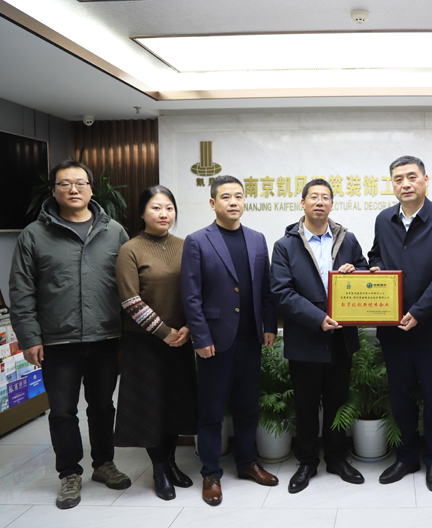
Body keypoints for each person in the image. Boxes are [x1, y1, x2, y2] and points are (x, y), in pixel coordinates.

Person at [9, 160, 131, 510]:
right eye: (65, 184)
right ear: (54, 191)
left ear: (91, 189)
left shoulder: (114, 231)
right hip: (56, 341)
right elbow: (21, 290)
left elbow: (129, 286)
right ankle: (69, 473)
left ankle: (104, 464)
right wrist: (30, 338)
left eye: (80, 183)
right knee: (62, 411)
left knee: (103, 407)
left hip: (105, 338)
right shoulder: (34, 234)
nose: (73, 189)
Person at [180, 175, 279, 506]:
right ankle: (211, 473)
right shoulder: (197, 241)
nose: (233, 202)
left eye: (238, 196)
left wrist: (269, 326)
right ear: (213, 203)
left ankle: (247, 462)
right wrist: (200, 336)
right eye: (226, 197)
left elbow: (265, 289)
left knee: (247, 406)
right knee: (211, 410)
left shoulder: (257, 239)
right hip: (214, 340)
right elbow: (191, 295)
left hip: (250, 338)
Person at [368, 155, 432, 492]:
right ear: (392, 185)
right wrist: (377, 268)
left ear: (425, 180)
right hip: (392, 328)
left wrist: (419, 311)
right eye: (398, 179)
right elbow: (375, 254)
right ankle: (407, 457)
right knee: (400, 398)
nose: (405, 184)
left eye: (411, 177)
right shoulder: (384, 219)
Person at [271, 179, 369, 493]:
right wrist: (317, 318)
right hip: (306, 337)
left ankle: (337, 459)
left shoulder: (348, 239)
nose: (319, 202)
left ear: (331, 204)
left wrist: (357, 272)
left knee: (338, 402)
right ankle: (307, 462)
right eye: (313, 197)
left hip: (341, 337)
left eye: (325, 197)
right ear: (302, 203)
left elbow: (367, 273)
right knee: (306, 404)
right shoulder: (285, 245)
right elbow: (281, 292)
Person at [114, 186, 197, 501]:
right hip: (145, 343)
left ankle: (172, 463)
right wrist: (165, 332)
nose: (164, 214)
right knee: (151, 408)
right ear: (142, 212)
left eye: (169, 208)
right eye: (156, 207)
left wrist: (187, 328)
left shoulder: (186, 245)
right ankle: (159, 469)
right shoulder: (130, 249)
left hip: (181, 339)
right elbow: (130, 300)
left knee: (174, 405)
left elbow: (196, 291)